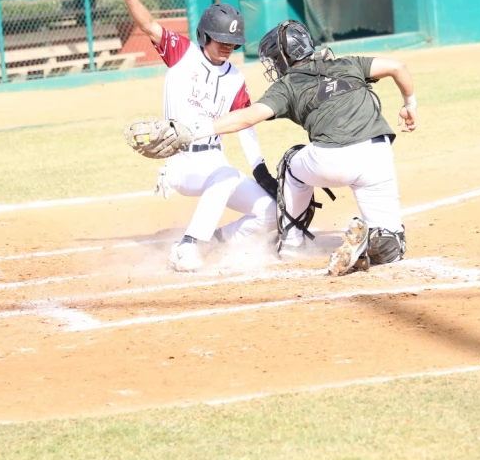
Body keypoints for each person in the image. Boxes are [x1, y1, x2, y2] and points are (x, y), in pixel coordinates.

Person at [175, 19, 418, 276]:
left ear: (285, 57)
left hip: (330, 159)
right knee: (393, 242)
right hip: (377, 154)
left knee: (292, 161)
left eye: (274, 58)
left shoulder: (287, 85)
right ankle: (377, 240)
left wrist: (193, 131)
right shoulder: (349, 63)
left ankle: (292, 242)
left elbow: (247, 117)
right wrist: (409, 105)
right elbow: (398, 67)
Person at [112, 0, 281, 272]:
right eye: (221, 40)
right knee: (225, 176)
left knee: (270, 211)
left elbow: (245, 125)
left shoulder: (235, 77)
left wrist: (260, 171)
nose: (228, 46)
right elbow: (149, 25)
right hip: (181, 161)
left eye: (232, 42)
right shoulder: (182, 53)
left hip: (214, 160)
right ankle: (187, 247)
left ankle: (215, 241)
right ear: (205, 36)